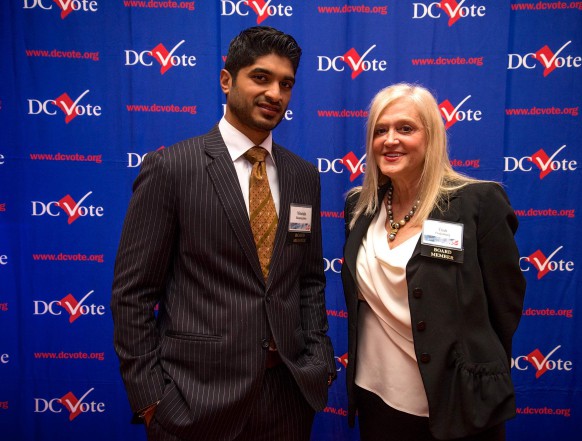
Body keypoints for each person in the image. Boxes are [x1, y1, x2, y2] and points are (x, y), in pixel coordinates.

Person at [111, 26, 335, 441]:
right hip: (194, 403)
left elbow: (308, 280)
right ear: (227, 79)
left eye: (286, 84)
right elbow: (133, 293)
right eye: (261, 77)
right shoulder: (173, 168)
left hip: (287, 399)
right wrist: (151, 399)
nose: (275, 94)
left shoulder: (304, 176)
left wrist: (318, 361)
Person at [341, 83, 526, 441]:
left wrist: (475, 366)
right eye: (381, 130)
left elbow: (505, 306)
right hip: (375, 394)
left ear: (432, 137)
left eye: (405, 128)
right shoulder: (359, 207)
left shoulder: (478, 203)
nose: (390, 139)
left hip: (456, 401)